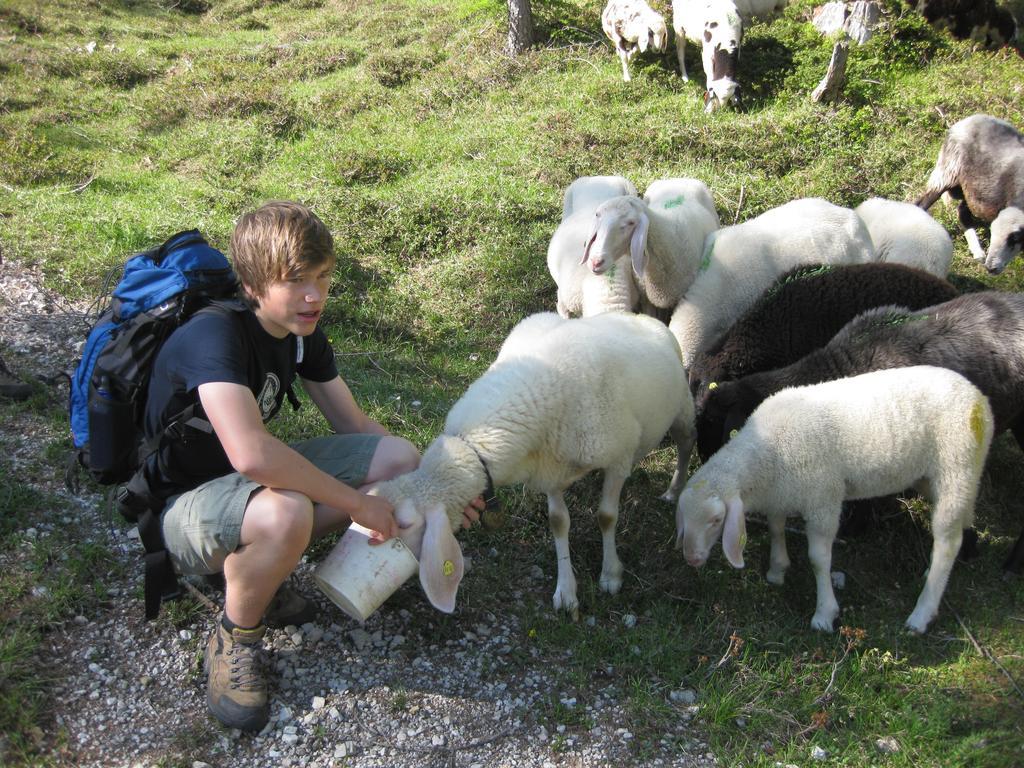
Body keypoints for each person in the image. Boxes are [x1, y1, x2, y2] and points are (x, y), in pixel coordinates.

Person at [140, 200, 478, 732]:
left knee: (400, 458)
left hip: (242, 490)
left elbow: (358, 427)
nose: (314, 296)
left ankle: (262, 570)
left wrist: (441, 481)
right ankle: (235, 636)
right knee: (285, 513)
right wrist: (358, 503)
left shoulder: (300, 335)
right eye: (296, 281)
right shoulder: (216, 337)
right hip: (181, 509)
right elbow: (251, 453)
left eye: (322, 277)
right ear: (253, 284)